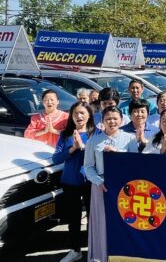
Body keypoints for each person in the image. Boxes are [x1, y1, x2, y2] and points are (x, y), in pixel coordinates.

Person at [83, 106, 138, 262]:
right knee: (102, 222)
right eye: (108, 118)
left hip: (125, 188)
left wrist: (117, 154)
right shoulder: (94, 140)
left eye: (115, 118)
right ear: (102, 121)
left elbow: (135, 164)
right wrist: (98, 181)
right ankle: (100, 256)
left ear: (121, 120)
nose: (112, 121)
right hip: (101, 186)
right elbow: (87, 166)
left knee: (124, 221)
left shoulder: (130, 139)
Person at [53, 102, 96, 262]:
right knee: (73, 218)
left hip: (90, 182)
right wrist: (72, 148)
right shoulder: (65, 135)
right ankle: (75, 250)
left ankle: (93, 250)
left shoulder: (96, 133)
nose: (79, 116)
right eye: (76, 113)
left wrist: (83, 147)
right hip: (70, 182)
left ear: (89, 115)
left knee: (93, 218)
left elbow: (97, 158)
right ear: (71, 116)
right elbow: (56, 158)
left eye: (82, 113)